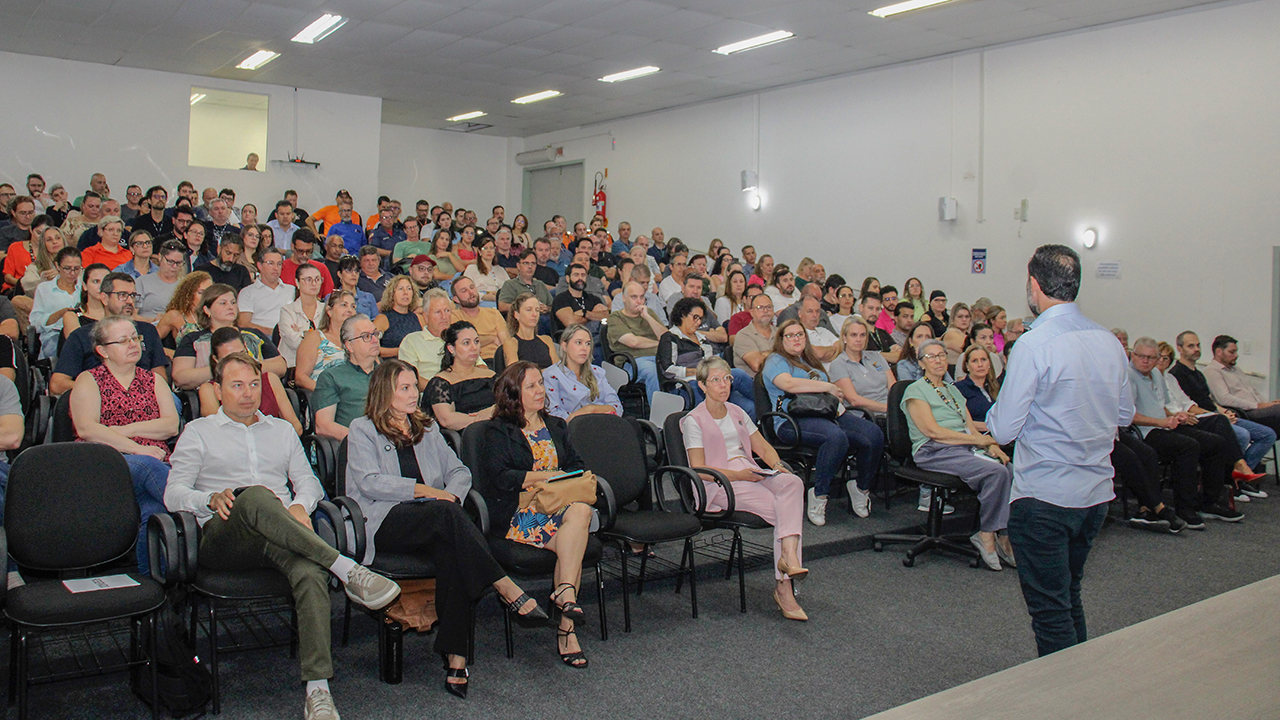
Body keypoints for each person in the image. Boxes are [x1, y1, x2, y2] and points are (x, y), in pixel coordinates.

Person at [165, 351, 400, 720]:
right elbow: (173, 493)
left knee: (308, 573)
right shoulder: (199, 432)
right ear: (217, 388)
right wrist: (208, 498)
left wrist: (299, 507)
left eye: (254, 384)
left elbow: (308, 482)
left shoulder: (281, 429)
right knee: (256, 494)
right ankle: (346, 568)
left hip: (283, 536)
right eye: (237, 385)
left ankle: (318, 691)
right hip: (225, 537)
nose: (247, 393)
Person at [346, 359, 547, 697]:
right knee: (447, 516)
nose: (415, 394)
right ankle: (504, 585)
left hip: (436, 519)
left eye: (415, 386)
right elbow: (369, 483)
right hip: (384, 520)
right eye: (405, 388)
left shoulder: (425, 427)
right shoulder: (362, 429)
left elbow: (459, 470)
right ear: (385, 393)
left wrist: (451, 493)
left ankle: (456, 657)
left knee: (452, 551)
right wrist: (427, 492)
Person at [986, 244, 1134, 657]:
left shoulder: (1035, 344)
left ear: (1034, 285)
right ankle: (1079, 687)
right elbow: (1125, 415)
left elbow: (1003, 428)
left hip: (1045, 496)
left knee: (1050, 612)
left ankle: (1064, 700)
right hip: (1095, 495)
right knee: (1069, 595)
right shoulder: (1108, 341)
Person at [478, 361, 596, 669]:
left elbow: (578, 465)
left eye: (541, 383)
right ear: (514, 393)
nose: (541, 390)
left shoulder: (556, 425)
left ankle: (565, 598)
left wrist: (559, 476)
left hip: (559, 507)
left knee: (580, 512)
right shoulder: (497, 430)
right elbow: (501, 477)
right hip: (520, 513)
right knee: (575, 540)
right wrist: (542, 477)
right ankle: (566, 627)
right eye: (531, 386)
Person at [681, 357, 808, 619]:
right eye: (715, 380)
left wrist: (776, 464)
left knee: (793, 483)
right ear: (702, 385)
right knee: (785, 510)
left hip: (751, 472)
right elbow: (698, 468)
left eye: (727, 378)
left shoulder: (737, 412)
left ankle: (788, 559)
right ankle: (784, 587)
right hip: (720, 483)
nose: (723, 385)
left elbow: (761, 446)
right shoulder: (693, 420)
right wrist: (739, 475)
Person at [70, 315, 178, 574]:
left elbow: (171, 425)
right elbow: (87, 428)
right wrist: (139, 447)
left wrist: (123, 430)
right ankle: (193, 510)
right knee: (147, 465)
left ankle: (152, 588)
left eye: (135, 338)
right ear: (102, 350)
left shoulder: (153, 380)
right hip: (105, 462)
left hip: (152, 462)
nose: (133, 344)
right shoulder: (89, 379)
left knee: (154, 514)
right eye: (123, 340)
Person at [901, 339, 1015, 571]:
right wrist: (977, 441)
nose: (938, 360)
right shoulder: (915, 390)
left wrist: (990, 446)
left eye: (942, 355)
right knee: (995, 472)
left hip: (962, 446)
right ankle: (986, 534)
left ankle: (1003, 534)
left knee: (1010, 469)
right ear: (922, 363)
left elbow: (969, 426)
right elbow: (932, 431)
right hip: (933, 449)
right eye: (931, 357)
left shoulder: (953, 389)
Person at [762, 318, 885, 525]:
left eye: (800, 334)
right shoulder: (776, 360)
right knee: (835, 437)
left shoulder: (810, 360)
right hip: (790, 420)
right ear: (781, 340)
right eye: (790, 335)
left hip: (826, 413)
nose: (796, 339)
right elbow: (788, 384)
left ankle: (861, 488)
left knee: (873, 435)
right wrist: (827, 388)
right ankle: (819, 495)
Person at [1128, 336, 1242, 524]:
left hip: (1163, 425)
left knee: (1216, 443)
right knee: (1188, 446)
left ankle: (1209, 502)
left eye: (1151, 357)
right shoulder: (1127, 376)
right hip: (1143, 431)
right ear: (1133, 355)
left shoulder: (1156, 374)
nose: (1146, 361)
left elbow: (1161, 404)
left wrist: (1174, 416)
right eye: (1141, 356)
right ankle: (1185, 507)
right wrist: (1161, 422)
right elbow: (1128, 415)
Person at [1170, 331, 1276, 483]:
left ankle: (1239, 479)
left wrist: (1224, 411)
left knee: (1268, 434)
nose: (1196, 349)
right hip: (1200, 419)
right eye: (1191, 346)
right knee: (1242, 435)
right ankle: (1230, 480)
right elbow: (1189, 406)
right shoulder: (1177, 374)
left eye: (1198, 345)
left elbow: (1208, 401)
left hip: (1215, 414)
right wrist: (1219, 416)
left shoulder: (1198, 374)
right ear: (1180, 349)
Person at [172, 284, 286, 389]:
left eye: (233, 302)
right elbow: (180, 377)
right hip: (212, 393)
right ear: (207, 310)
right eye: (223, 303)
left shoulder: (254, 335)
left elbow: (280, 366)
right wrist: (225, 369)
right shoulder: (193, 339)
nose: (230, 307)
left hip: (256, 390)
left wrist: (246, 367)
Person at [198, 326, 303, 435]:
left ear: (247, 349)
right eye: (230, 358)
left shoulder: (270, 379)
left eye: (242, 353)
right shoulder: (210, 389)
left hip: (273, 443)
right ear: (216, 360)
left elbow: (295, 426)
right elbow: (216, 432)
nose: (239, 361)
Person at [658, 297, 754, 415]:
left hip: (712, 381)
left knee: (750, 406)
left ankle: (769, 411)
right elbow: (667, 370)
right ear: (683, 315)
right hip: (685, 386)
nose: (698, 322)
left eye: (701, 319)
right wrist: (698, 372)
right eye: (695, 317)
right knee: (702, 385)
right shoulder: (670, 338)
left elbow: (711, 362)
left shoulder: (702, 339)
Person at [313, 315, 381, 441]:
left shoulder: (389, 374)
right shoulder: (331, 377)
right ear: (349, 345)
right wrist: (364, 440)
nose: (375, 340)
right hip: (355, 447)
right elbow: (323, 426)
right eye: (366, 336)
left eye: (375, 334)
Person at [425, 321, 497, 431]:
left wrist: (493, 411)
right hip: (467, 437)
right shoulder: (441, 382)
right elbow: (447, 420)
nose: (474, 347)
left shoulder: (491, 376)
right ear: (451, 349)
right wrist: (481, 419)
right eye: (466, 343)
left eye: (476, 341)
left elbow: (510, 403)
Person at [543, 326, 622, 420]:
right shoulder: (552, 375)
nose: (584, 348)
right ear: (564, 346)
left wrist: (591, 409)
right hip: (575, 429)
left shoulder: (597, 372)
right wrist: (585, 415)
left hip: (604, 423)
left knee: (631, 423)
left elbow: (617, 406)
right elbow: (553, 413)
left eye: (588, 344)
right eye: (578, 343)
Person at [829, 318, 894, 419]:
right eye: (854, 335)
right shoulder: (838, 364)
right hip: (867, 415)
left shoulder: (877, 356)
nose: (858, 339)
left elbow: (893, 387)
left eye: (862, 335)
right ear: (844, 337)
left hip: (891, 409)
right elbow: (854, 400)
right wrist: (888, 408)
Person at [296, 291, 358, 392]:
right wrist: (326, 392)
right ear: (329, 311)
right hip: (325, 396)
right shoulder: (316, 337)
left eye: (353, 306)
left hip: (354, 393)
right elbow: (300, 377)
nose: (350, 310)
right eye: (344, 305)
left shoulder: (358, 340)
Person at [449, 276, 508, 365]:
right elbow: (465, 343)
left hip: (499, 360)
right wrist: (492, 338)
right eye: (464, 291)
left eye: (472, 287)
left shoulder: (494, 313)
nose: (471, 292)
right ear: (456, 299)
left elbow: (505, 342)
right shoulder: (453, 316)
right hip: (473, 363)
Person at [278, 263, 326, 367]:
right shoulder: (287, 311)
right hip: (292, 366)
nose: (314, 283)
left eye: (317, 279)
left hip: (321, 366)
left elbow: (331, 341)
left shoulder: (326, 310)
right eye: (308, 280)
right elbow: (293, 342)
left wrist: (302, 334)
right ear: (297, 282)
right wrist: (317, 338)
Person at [237, 248, 294, 335]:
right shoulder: (247, 293)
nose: (276, 268)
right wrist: (273, 333)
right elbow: (244, 323)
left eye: (279, 264)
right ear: (259, 266)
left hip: (288, 338)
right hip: (260, 338)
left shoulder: (291, 290)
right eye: (271, 263)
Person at [156, 271, 211, 351]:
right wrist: (172, 354)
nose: (206, 297)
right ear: (188, 294)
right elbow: (151, 342)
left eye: (209, 292)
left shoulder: (215, 315)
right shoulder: (174, 316)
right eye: (201, 293)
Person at [500, 293, 558, 370]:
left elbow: (558, 370)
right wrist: (547, 372)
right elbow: (515, 374)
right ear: (517, 315)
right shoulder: (511, 343)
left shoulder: (547, 340)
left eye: (537, 310)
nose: (534, 314)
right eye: (529, 310)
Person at [374, 276, 427, 358]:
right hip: (391, 366)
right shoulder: (382, 319)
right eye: (400, 289)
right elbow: (374, 349)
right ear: (392, 294)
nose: (406, 292)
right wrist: (403, 350)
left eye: (409, 289)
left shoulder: (419, 319)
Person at [551, 263, 607, 336]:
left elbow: (605, 317)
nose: (580, 278)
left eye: (583, 275)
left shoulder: (593, 298)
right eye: (576, 275)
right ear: (568, 279)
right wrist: (592, 317)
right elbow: (571, 323)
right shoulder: (561, 299)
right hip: (570, 338)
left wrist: (585, 313)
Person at [955, 344, 1001, 431]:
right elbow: (958, 421)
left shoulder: (998, 386)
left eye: (983, 360)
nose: (980, 364)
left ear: (989, 363)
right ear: (967, 366)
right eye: (974, 361)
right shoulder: (958, 389)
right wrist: (990, 427)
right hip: (977, 437)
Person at [497, 250, 554, 316]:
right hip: (521, 320)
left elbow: (552, 306)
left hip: (544, 318)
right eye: (526, 263)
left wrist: (546, 308)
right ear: (518, 266)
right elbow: (502, 306)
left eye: (533, 263)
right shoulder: (510, 284)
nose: (530, 267)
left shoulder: (540, 284)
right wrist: (525, 307)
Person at [282, 230, 335, 297]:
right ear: (292, 247)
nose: (304, 255)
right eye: (300, 251)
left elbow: (329, 297)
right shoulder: (281, 267)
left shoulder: (321, 268)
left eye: (308, 251)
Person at [462, 236, 508, 304]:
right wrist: (484, 296)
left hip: (500, 301)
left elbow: (510, 288)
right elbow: (466, 289)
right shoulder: (472, 269)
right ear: (480, 252)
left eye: (491, 248)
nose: (489, 251)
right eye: (485, 248)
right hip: (480, 302)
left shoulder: (500, 270)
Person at [940, 302, 972, 368]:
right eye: (960, 317)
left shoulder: (968, 334)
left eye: (967, 316)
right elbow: (970, 349)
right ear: (952, 319)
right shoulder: (950, 334)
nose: (964, 319)